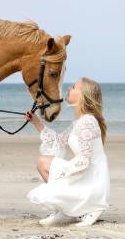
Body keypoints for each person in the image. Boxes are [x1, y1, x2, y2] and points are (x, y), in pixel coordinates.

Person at [25, 77, 110, 226]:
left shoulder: (87, 122)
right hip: (83, 170)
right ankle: (66, 211)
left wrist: (63, 175)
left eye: (73, 87)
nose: (69, 88)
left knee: (52, 173)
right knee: (43, 162)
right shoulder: (80, 121)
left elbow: (84, 160)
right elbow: (58, 141)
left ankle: (91, 207)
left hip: (91, 178)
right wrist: (36, 122)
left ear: (83, 95)